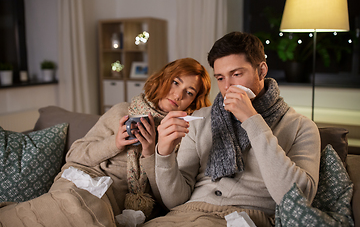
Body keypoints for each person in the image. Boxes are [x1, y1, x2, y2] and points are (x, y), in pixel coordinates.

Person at [0, 57, 211, 226]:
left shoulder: (181, 134)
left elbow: (166, 200)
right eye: (176, 82)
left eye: (189, 92)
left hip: (109, 203)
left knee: (86, 211)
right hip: (82, 180)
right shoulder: (122, 110)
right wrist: (116, 142)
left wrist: (149, 152)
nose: (178, 94)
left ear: (194, 101)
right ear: (164, 78)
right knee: (71, 203)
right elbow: (75, 155)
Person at [143, 32, 321, 227]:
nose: (227, 87)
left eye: (236, 74)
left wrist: (252, 120)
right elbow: (174, 201)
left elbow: (298, 199)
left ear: (261, 71)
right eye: (220, 78)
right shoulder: (200, 118)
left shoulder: (300, 127)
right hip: (183, 216)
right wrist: (164, 153)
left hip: (244, 220)